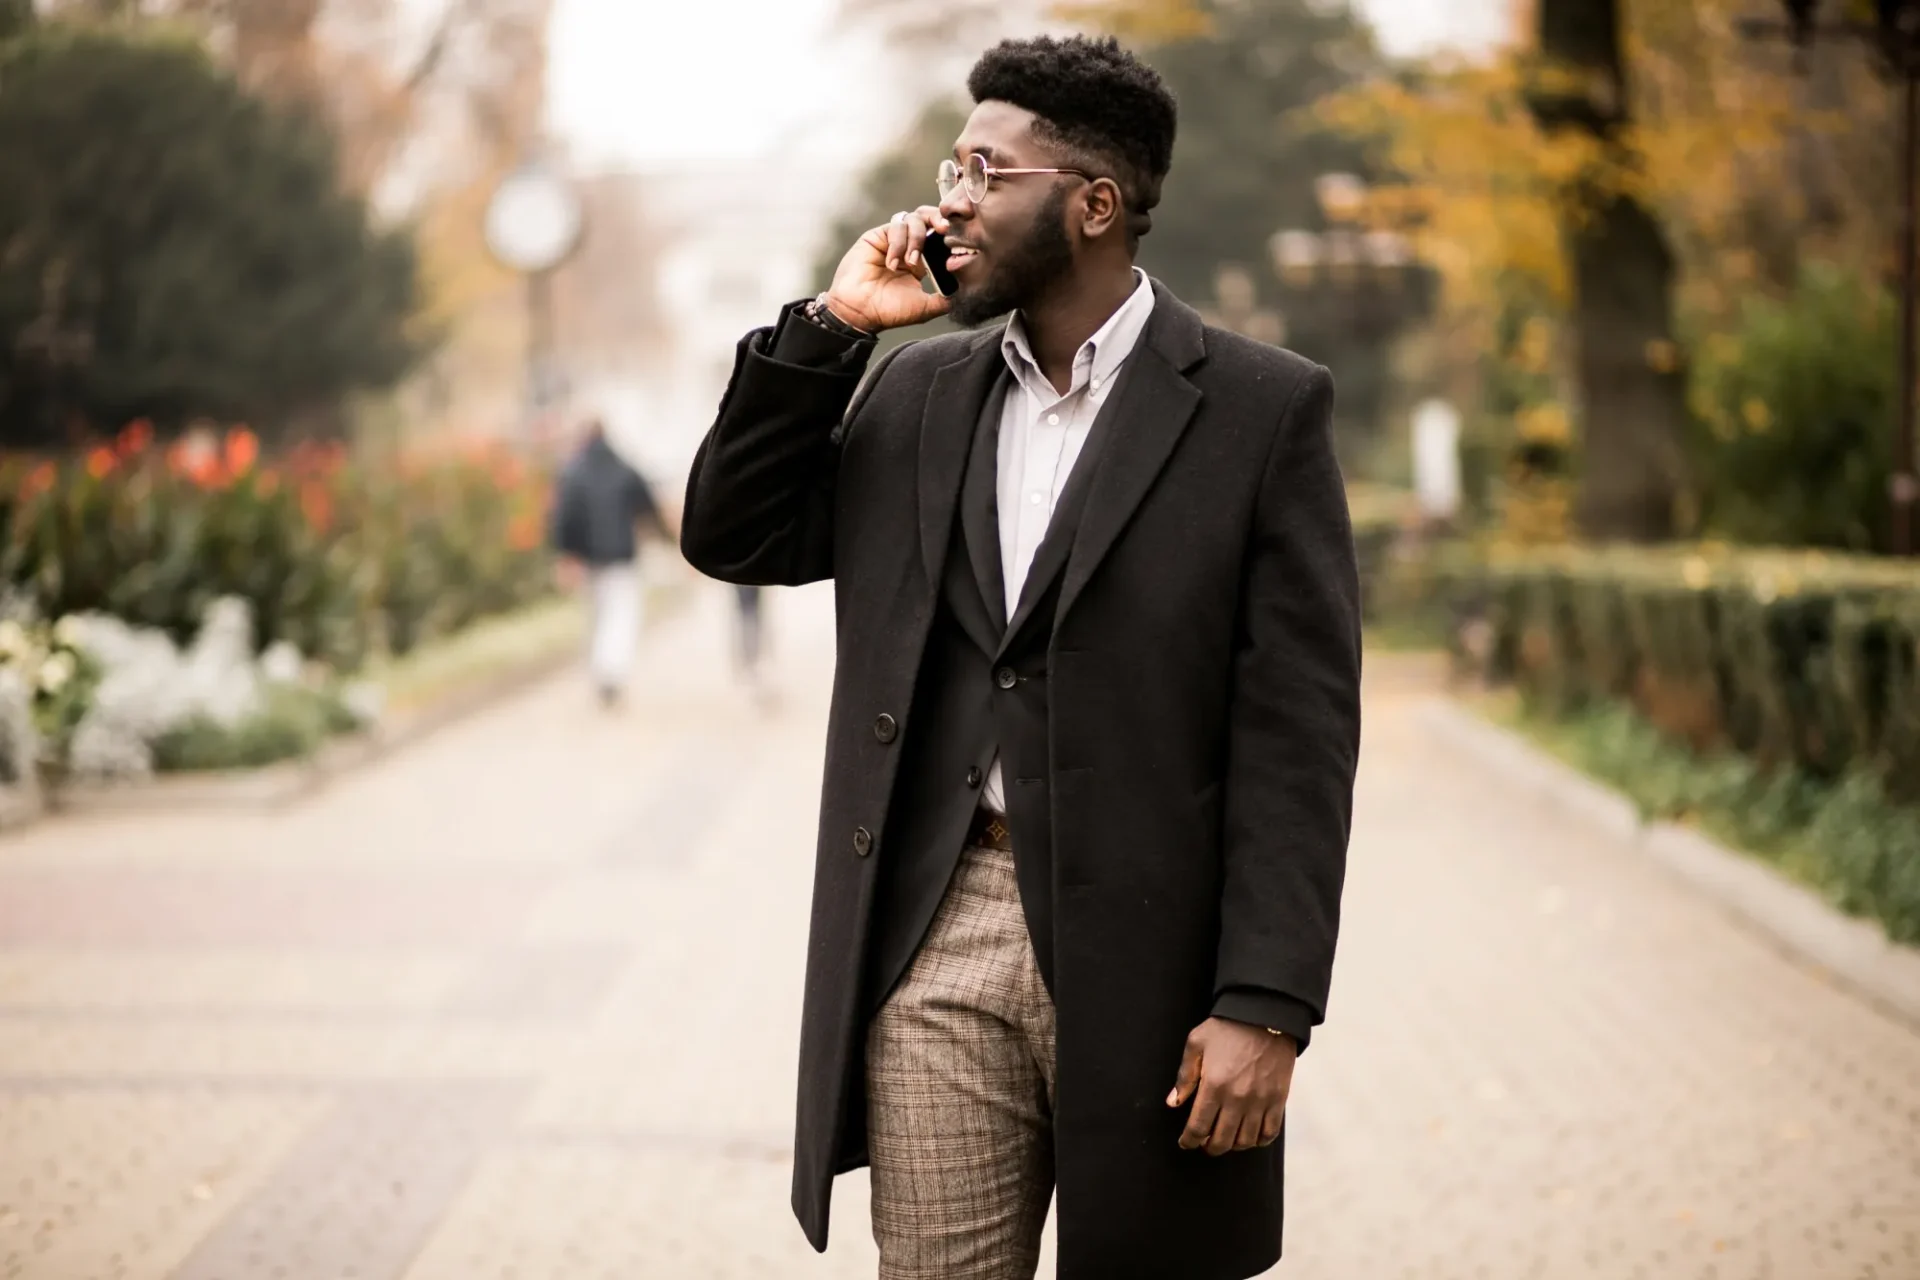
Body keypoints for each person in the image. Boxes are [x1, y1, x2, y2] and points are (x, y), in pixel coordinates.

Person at [679, 35, 1360, 1280]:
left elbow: (1299, 732)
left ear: (1093, 204)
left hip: (1156, 951)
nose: (950, 199)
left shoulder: (1263, 412)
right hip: (940, 926)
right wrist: (837, 327)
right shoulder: (911, 394)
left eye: (987, 171)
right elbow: (735, 532)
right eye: (955, 164)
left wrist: (1265, 999)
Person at [550, 417, 667, 705]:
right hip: (621, 557)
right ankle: (611, 671)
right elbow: (648, 505)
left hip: (591, 560)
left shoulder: (573, 472)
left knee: (599, 616)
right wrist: (667, 537)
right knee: (622, 616)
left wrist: (567, 554)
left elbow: (565, 518)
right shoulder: (622, 467)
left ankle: (604, 671)